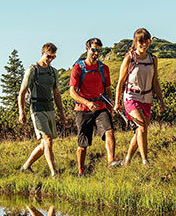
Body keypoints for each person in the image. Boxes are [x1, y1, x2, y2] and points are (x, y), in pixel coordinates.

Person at [70, 38, 121, 176]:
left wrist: (110, 109)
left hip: (101, 107)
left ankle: (111, 162)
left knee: (109, 131)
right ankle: (81, 170)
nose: (96, 53)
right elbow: (72, 92)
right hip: (83, 110)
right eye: (93, 50)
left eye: (98, 50)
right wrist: (87, 103)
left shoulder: (104, 69)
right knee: (83, 144)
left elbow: (108, 89)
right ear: (87, 49)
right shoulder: (78, 68)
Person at [114, 28, 165, 167]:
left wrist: (161, 101)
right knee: (142, 126)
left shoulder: (153, 59)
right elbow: (120, 81)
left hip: (147, 97)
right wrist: (117, 102)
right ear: (136, 42)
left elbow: (155, 82)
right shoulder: (129, 58)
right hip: (131, 96)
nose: (144, 44)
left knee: (140, 131)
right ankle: (145, 161)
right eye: (141, 41)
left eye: (146, 40)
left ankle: (127, 160)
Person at [18, 43, 65, 177]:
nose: (50, 59)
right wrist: (22, 112)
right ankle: (53, 173)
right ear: (42, 53)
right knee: (48, 139)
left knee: (45, 144)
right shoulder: (33, 70)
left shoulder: (53, 72)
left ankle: (26, 166)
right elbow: (22, 92)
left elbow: (56, 93)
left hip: (50, 108)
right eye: (48, 56)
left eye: (53, 57)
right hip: (37, 109)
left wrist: (62, 113)